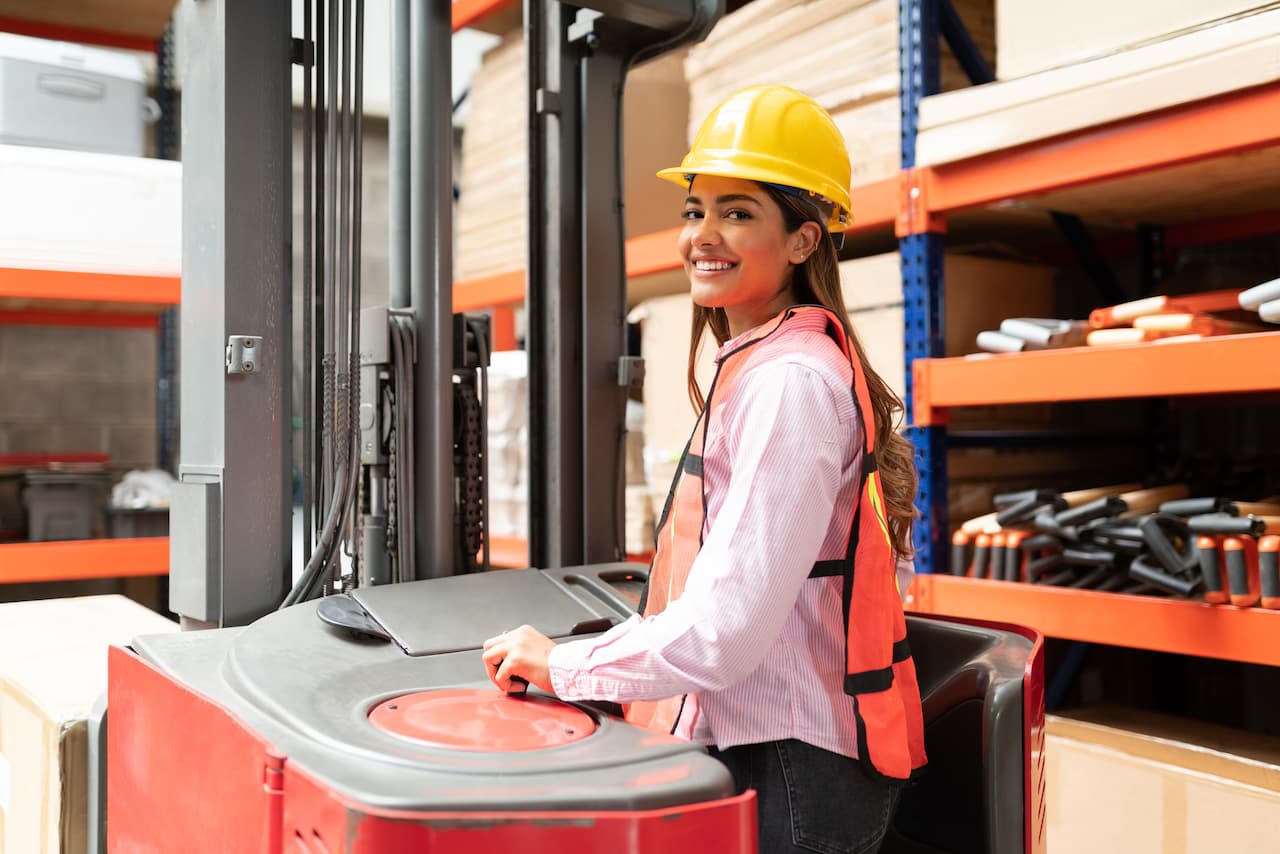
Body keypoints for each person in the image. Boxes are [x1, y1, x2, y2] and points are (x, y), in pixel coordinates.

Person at [482, 83, 926, 853]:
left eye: (739, 212)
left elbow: (727, 631)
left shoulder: (791, 384)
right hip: (775, 754)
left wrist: (565, 664)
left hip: (797, 773)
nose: (704, 235)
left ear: (804, 241)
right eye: (696, 210)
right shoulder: (762, 364)